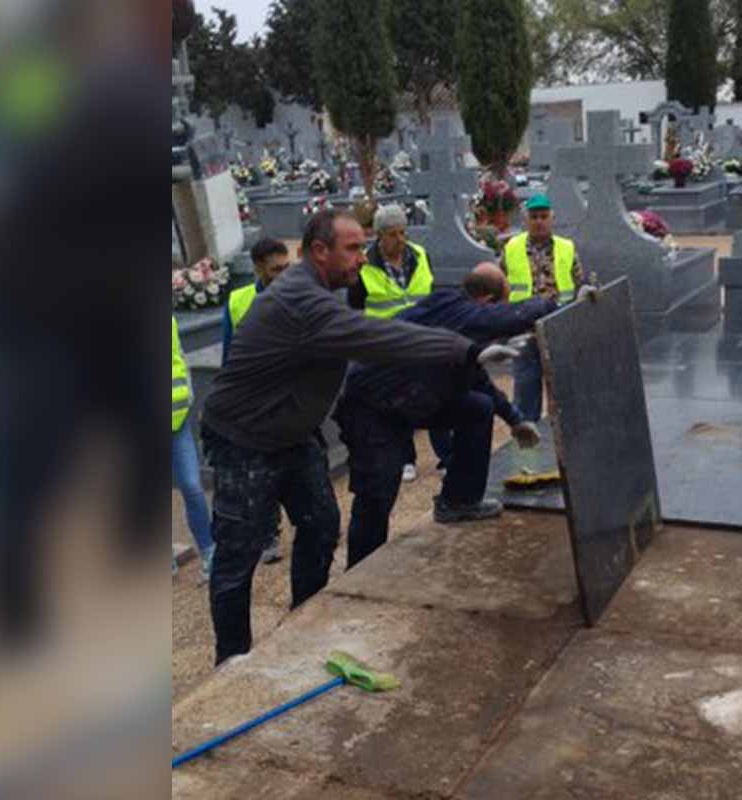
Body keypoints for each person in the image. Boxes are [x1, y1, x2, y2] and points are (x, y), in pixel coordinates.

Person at [200, 209, 517, 664]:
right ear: (318, 251)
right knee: (239, 553)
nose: (362, 258)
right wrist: (466, 349)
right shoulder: (302, 299)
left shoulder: (327, 289)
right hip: (243, 438)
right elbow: (377, 336)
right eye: (352, 248)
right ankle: (231, 660)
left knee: (321, 526)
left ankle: (302, 626)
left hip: (292, 434)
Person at [333, 263, 551, 569]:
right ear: (487, 300)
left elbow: (477, 379)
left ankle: (459, 502)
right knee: (378, 491)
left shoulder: (458, 317)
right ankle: (359, 570)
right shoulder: (458, 311)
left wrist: (514, 420)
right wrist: (558, 305)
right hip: (373, 407)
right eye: (501, 303)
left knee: (477, 407)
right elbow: (515, 316)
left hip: (410, 397)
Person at [348, 203, 434, 484]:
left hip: (420, 338)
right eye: (394, 234)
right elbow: (356, 310)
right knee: (399, 403)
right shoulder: (364, 266)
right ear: (379, 236)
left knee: (435, 394)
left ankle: (446, 456)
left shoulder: (420, 255)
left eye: (403, 232)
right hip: (386, 345)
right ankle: (407, 458)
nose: (401, 239)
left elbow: (428, 295)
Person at [222, 237, 292, 564]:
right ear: (258, 268)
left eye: (286, 268)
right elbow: (228, 354)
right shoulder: (238, 301)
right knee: (262, 471)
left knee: (307, 462)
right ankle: (268, 534)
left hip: (293, 396)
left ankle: (317, 523)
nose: (282, 275)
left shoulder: (298, 294)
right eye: (276, 269)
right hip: (256, 400)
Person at [498, 193, 586, 422]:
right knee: (526, 383)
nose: (539, 221)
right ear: (526, 220)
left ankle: (566, 427)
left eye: (544, 216)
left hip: (558, 324)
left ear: (552, 218)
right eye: (534, 216)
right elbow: (500, 285)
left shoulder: (567, 248)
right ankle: (528, 433)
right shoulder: (512, 248)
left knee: (562, 384)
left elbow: (580, 282)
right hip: (523, 326)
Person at [172, 316, 215, 580]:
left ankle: (210, 551)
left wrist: (187, 396)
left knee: (191, 486)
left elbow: (179, 357)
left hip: (176, 420)